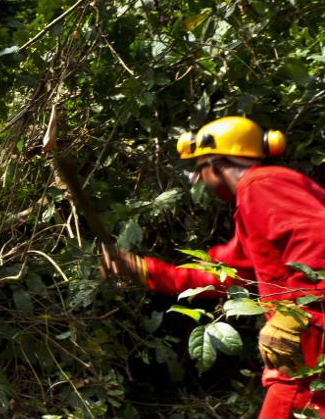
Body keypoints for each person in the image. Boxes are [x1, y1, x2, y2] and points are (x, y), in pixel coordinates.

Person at [103, 116, 325, 418]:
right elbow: (227, 272)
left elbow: (317, 237)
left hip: (309, 340)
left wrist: (292, 314)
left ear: (216, 166)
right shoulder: (263, 194)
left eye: (199, 171)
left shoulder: (261, 184)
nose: (201, 182)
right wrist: (144, 270)